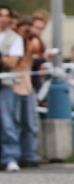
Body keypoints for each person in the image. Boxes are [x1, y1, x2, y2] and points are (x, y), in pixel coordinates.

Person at [12, 19, 42, 167]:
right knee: (15, 123)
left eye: (29, 29)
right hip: (13, 87)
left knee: (30, 124)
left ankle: (29, 155)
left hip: (27, 87)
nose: (26, 32)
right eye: (24, 29)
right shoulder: (13, 42)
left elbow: (41, 49)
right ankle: (15, 155)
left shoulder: (31, 43)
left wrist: (35, 34)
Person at [0, 5, 26, 171]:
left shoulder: (15, 38)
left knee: (7, 122)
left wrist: (2, 59)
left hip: (4, 84)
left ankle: (10, 157)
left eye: (5, 15)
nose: (3, 18)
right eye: (0, 15)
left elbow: (12, 62)